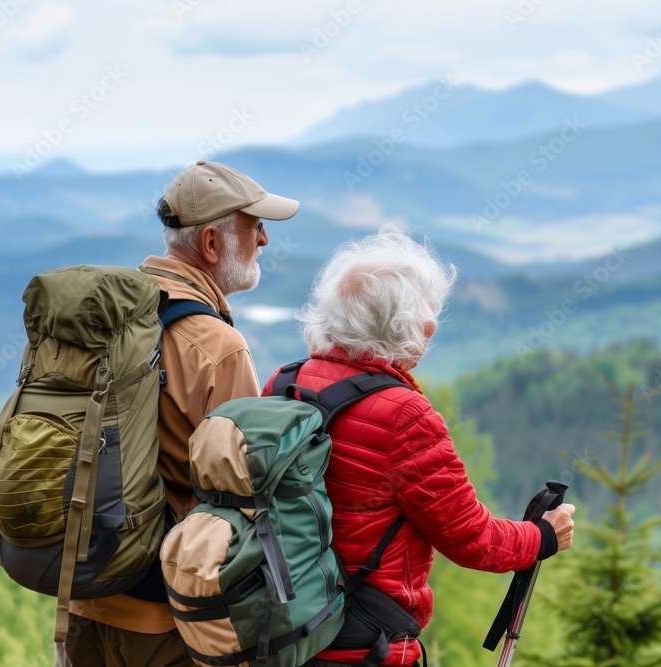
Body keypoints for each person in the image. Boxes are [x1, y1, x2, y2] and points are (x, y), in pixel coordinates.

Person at [262, 226, 576, 667]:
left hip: (283, 627)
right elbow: (473, 539)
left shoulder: (285, 382)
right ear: (419, 329)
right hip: (365, 640)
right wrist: (543, 536)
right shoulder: (406, 416)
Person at [62, 160, 301, 667]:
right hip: (165, 617)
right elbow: (246, 498)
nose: (263, 241)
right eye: (254, 227)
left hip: (82, 596)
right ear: (212, 244)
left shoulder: (113, 311)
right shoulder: (216, 345)